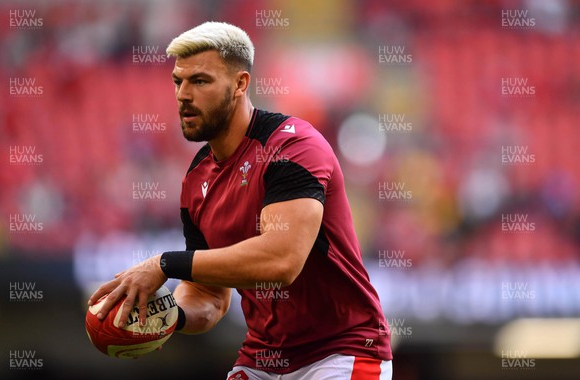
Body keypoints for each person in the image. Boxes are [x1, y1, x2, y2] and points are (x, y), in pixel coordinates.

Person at [88, 21, 393, 379]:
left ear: (239, 84)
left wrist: (164, 264)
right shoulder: (197, 177)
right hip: (262, 357)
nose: (183, 94)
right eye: (178, 81)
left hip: (340, 351)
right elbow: (209, 295)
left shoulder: (294, 147)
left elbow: (282, 261)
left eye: (200, 81)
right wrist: (168, 317)